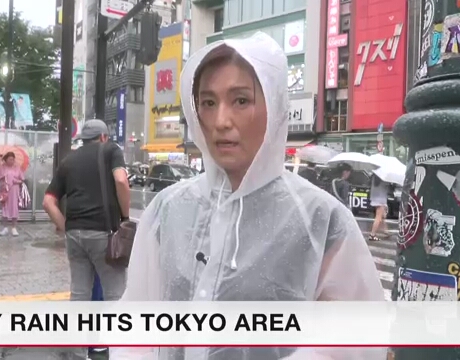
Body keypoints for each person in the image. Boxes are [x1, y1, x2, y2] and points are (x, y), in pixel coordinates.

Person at [112, 33, 385, 360]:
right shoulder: (166, 211)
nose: (221, 122)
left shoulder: (321, 220)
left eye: (241, 100)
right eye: (208, 103)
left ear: (274, 106)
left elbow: (358, 339)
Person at [43, 119, 130, 359]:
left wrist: (66, 227)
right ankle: (120, 351)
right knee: (116, 294)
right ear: (103, 137)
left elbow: (48, 202)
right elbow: (121, 180)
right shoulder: (111, 150)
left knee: (79, 294)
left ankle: (78, 353)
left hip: (75, 235)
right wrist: (125, 216)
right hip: (103, 232)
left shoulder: (68, 160)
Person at [0, 152, 24, 236]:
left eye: (13, 159)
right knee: (4, 207)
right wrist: (2, 177)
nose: (12, 161)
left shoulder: (17, 167)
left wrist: (15, 180)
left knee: (14, 207)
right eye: (10, 159)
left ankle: (14, 227)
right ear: (5, 159)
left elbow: (22, 179)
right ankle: (5, 227)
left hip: (14, 189)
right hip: (4, 190)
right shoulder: (0, 167)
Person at [369, 174, 389, 242]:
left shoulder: (374, 176)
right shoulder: (384, 178)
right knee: (378, 218)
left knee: (382, 216)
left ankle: (386, 232)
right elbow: (387, 188)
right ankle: (372, 235)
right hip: (381, 199)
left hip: (375, 197)